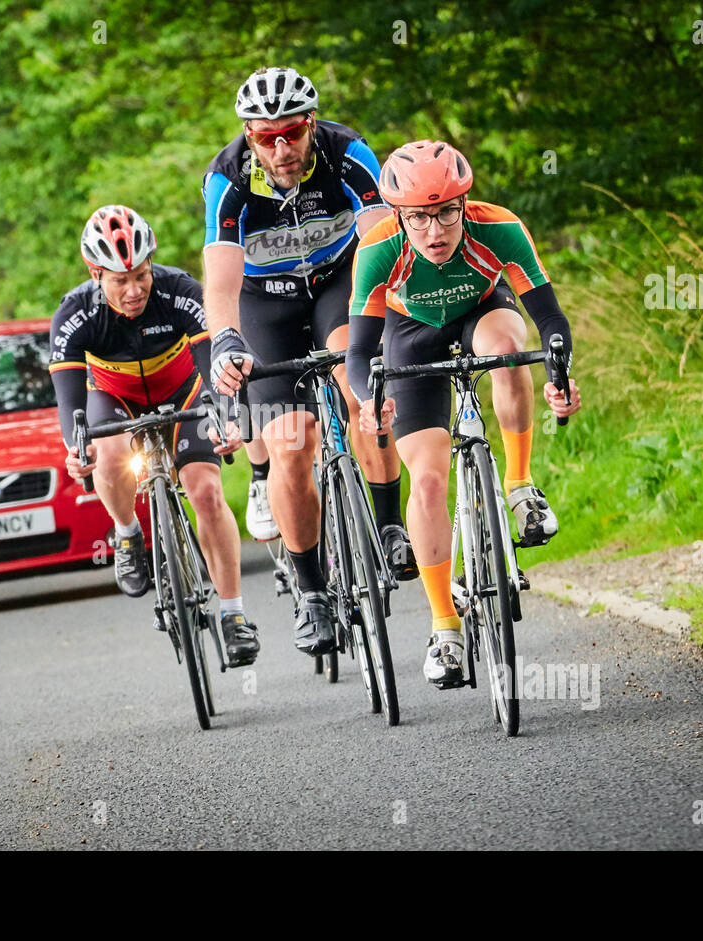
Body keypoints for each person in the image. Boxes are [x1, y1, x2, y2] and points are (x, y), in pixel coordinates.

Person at [345, 140, 583, 688]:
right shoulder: (379, 249)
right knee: (427, 483)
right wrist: (370, 399)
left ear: (465, 205)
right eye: (419, 218)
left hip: (482, 310)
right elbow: (360, 352)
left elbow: (548, 318)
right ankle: (445, 627)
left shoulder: (500, 228)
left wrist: (559, 376)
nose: (435, 231)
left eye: (447, 213)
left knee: (506, 349)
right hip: (408, 335)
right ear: (399, 215)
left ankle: (521, 487)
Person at [203, 66, 414, 658]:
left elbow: (382, 239)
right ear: (249, 134)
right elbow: (219, 283)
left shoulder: (348, 154)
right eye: (265, 136)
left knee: (359, 387)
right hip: (263, 302)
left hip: (338, 285)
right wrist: (225, 339)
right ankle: (314, 593)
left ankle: (390, 523)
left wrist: (380, 327)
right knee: (292, 445)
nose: (280, 148)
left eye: (291, 133)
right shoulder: (227, 179)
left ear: (310, 125)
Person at [50, 205, 261, 667]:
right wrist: (76, 447)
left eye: (141, 275)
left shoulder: (180, 291)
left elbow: (215, 366)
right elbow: (71, 404)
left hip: (185, 391)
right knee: (105, 457)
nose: (133, 290)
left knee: (205, 491)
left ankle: (233, 614)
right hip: (114, 398)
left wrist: (229, 418)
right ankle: (128, 535)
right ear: (95, 273)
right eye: (119, 280)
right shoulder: (74, 313)